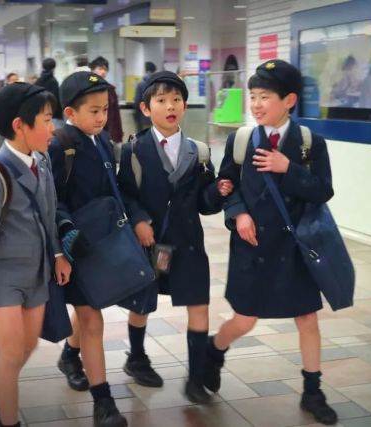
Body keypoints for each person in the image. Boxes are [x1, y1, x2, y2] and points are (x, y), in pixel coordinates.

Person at [203, 59, 338, 425]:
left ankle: (313, 391)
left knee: (306, 318)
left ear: (289, 100)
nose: (256, 104)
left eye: (265, 96)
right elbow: (227, 185)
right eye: (253, 96)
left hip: (295, 248)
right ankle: (214, 350)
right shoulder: (242, 140)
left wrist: (287, 168)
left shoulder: (310, 144)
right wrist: (238, 214)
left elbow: (323, 190)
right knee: (245, 319)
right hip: (253, 246)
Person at [0, 82, 71, 427]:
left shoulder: (42, 162)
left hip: (38, 274)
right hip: (3, 278)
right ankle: (10, 420)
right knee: (10, 354)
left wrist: (57, 254)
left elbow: (49, 213)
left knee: (27, 347)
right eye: (47, 120)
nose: (52, 128)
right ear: (20, 125)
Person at [117, 71, 234, 403]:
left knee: (199, 305)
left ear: (184, 106)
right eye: (162, 100)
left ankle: (196, 379)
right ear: (145, 108)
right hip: (151, 244)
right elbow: (124, 194)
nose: (170, 106)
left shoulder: (199, 152)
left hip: (188, 243)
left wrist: (218, 192)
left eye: (176, 100)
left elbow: (203, 204)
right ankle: (136, 358)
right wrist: (139, 220)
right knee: (142, 303)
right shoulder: (134, 150)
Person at [49, 71, 127, 427]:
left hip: (99, 245)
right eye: (94, 111)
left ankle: (70, 354)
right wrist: (65, 237)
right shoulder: (60, 146)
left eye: (105, 110)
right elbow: (51, 199)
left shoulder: (103, 141)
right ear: (70, 112)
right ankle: (103, 402)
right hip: (74, 247)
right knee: (92, 319)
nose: (102, 117)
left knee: (88, 311)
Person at [89, 56, 123, 150]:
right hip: (91, 129)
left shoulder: (110, 89)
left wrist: (118, 134)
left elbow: (116, 114)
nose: (103, 72)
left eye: (105, 69)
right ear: (93, 70)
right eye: (100, 69)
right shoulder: (87, 87)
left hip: (107, 130)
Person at [35, 58, 63, 125]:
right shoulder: (53, 81)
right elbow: (56, 98)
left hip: (41, 113)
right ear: (53, 68)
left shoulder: (38, 81)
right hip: (54, 115)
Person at [0, 73, 20, 147]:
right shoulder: (3, 92)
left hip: (17, 121)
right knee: (3, 140)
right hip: (5, 121)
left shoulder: (21, 92)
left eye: (17, 80)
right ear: (8, 81)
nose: (15, 82)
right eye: (13, 80)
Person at [133, 62, 156, 131]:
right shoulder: (158, 84)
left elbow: (137, 101)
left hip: (143, 117)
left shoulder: (141, 84)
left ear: (146, 70)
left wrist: (136, 115)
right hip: (156, 118)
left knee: (144, 136)